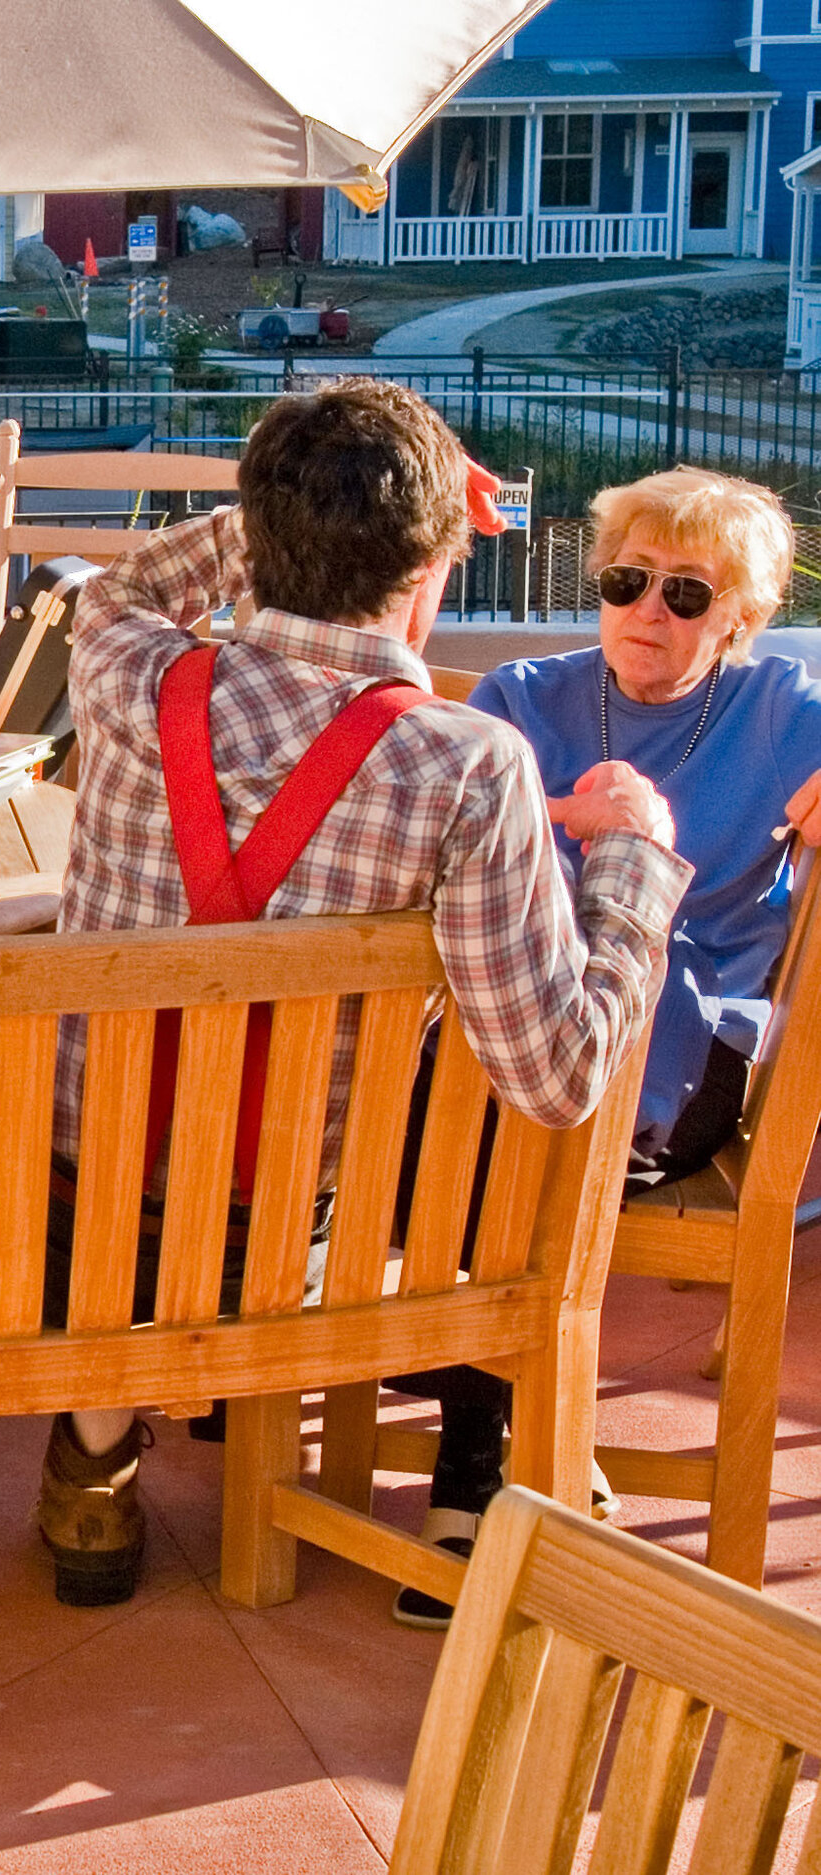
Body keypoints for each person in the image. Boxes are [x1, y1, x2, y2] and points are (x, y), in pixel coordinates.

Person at [29, 378, 688, 1609]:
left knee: (111, 1158)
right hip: (280, 1247)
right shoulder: (467, 764)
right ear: (433, 564)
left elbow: (124, 588)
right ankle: (476, 1461)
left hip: (59, 1225)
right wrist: (634, 862)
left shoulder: (124, 671)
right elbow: (556, 1075)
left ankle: (97, 1459)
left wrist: (281, 511)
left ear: (258, 537)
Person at [394, 466, 821, 1627]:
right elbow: (414, 830)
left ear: (738, 617)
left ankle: (480, 1457)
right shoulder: (522, 694)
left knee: (486, 1143)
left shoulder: (783, 714)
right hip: (500, 1032)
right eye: (627, 581)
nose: (648, 610)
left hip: (672, 1056)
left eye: (687, 594)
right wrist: (565, 819)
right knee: (449, 1112)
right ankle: (534, 1424)